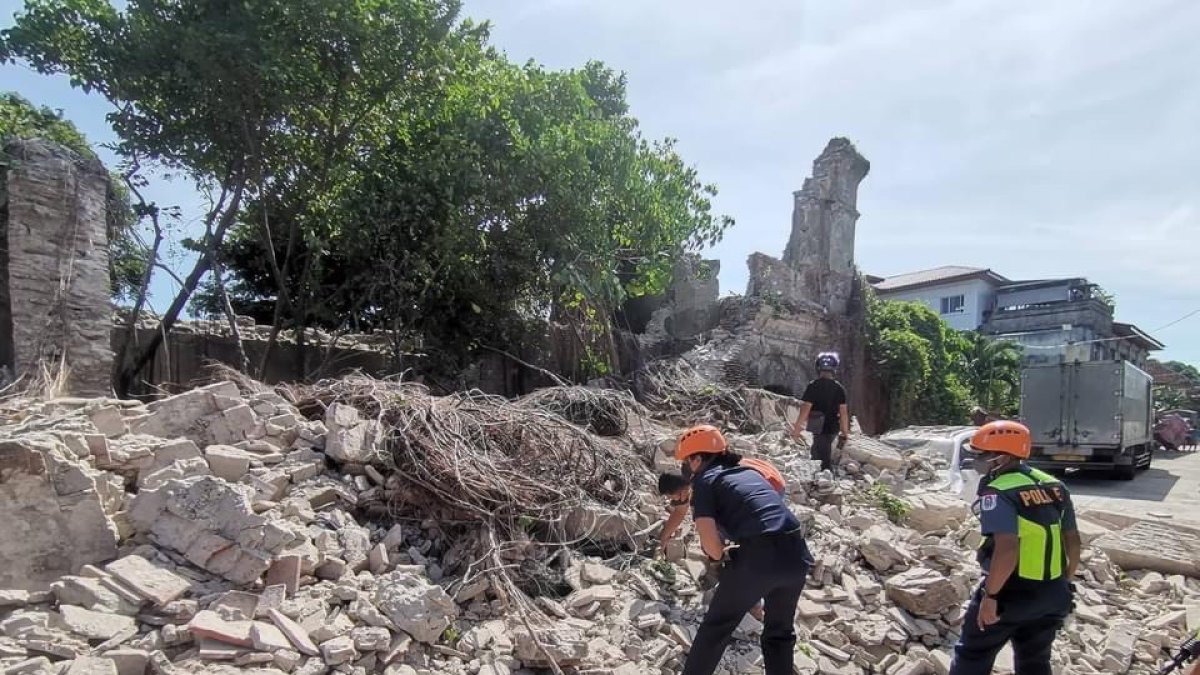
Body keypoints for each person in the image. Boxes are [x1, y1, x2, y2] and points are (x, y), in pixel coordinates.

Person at [673, 424, 813, 675]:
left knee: (716, 628)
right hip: (796, 552)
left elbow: (711, 546)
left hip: (760, 556)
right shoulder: (749, 473)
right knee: (779, 634)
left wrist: (722, 557)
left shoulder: (705, 481)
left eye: (686, 461)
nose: (686, 467)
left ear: (696, 458)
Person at [950, 421, 1082, 675]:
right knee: (1035, 662)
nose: (978, 462)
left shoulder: (998, 492)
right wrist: (1064, 582)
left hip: (1011, 592)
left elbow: (1008, 549)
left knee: (972, 656)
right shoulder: (1055, 486)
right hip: (1053, 593)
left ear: (1002, 457)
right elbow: (1073, 540)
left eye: (983, 456)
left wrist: (991, 597)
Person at [656, 455, 786, 621]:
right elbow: (680, 511)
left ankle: (755, 603)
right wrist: (662, 540)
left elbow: (710, 530)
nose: (673, 501)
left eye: (672, 497)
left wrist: (719, 554)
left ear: (682, 491)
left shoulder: (703, 488)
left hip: (769, 484)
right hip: (759, 472)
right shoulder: (688, 474)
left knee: (743, 542)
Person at [792, 352, 850, 472]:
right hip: (833, 427)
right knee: (821, 451)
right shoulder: (839, 388)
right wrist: (845, 432)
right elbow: (843, 413)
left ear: (818, 367)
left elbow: (805, 409)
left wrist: (797, 428)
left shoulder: (813, 386)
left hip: (817, 426)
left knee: (820, 457)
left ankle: (823, 481)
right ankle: (822, 480)